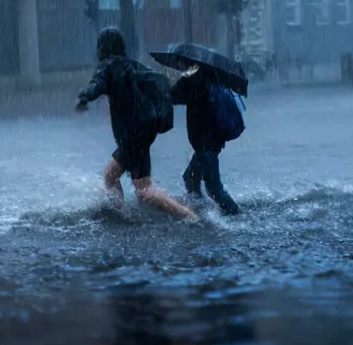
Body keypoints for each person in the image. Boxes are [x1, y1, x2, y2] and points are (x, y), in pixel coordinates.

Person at [75, 28, 195, 220]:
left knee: (144, 191)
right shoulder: (132, 65)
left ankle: (186, 215)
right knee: (111, 177)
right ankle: (123, 213)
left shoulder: (109, 66)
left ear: (103, 48)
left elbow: (96, 85)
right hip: (141, 133)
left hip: (131, 137)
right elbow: (157, 82)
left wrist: (84, 97)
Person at [171, 66, 242, 216]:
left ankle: (230, 214)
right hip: (212, 141)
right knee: (194, 179)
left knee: (210, 186)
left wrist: (182, 77)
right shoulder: (213, 77)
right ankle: (205, 210)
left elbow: (173, 96)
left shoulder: (193, 80)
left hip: (205, 143)